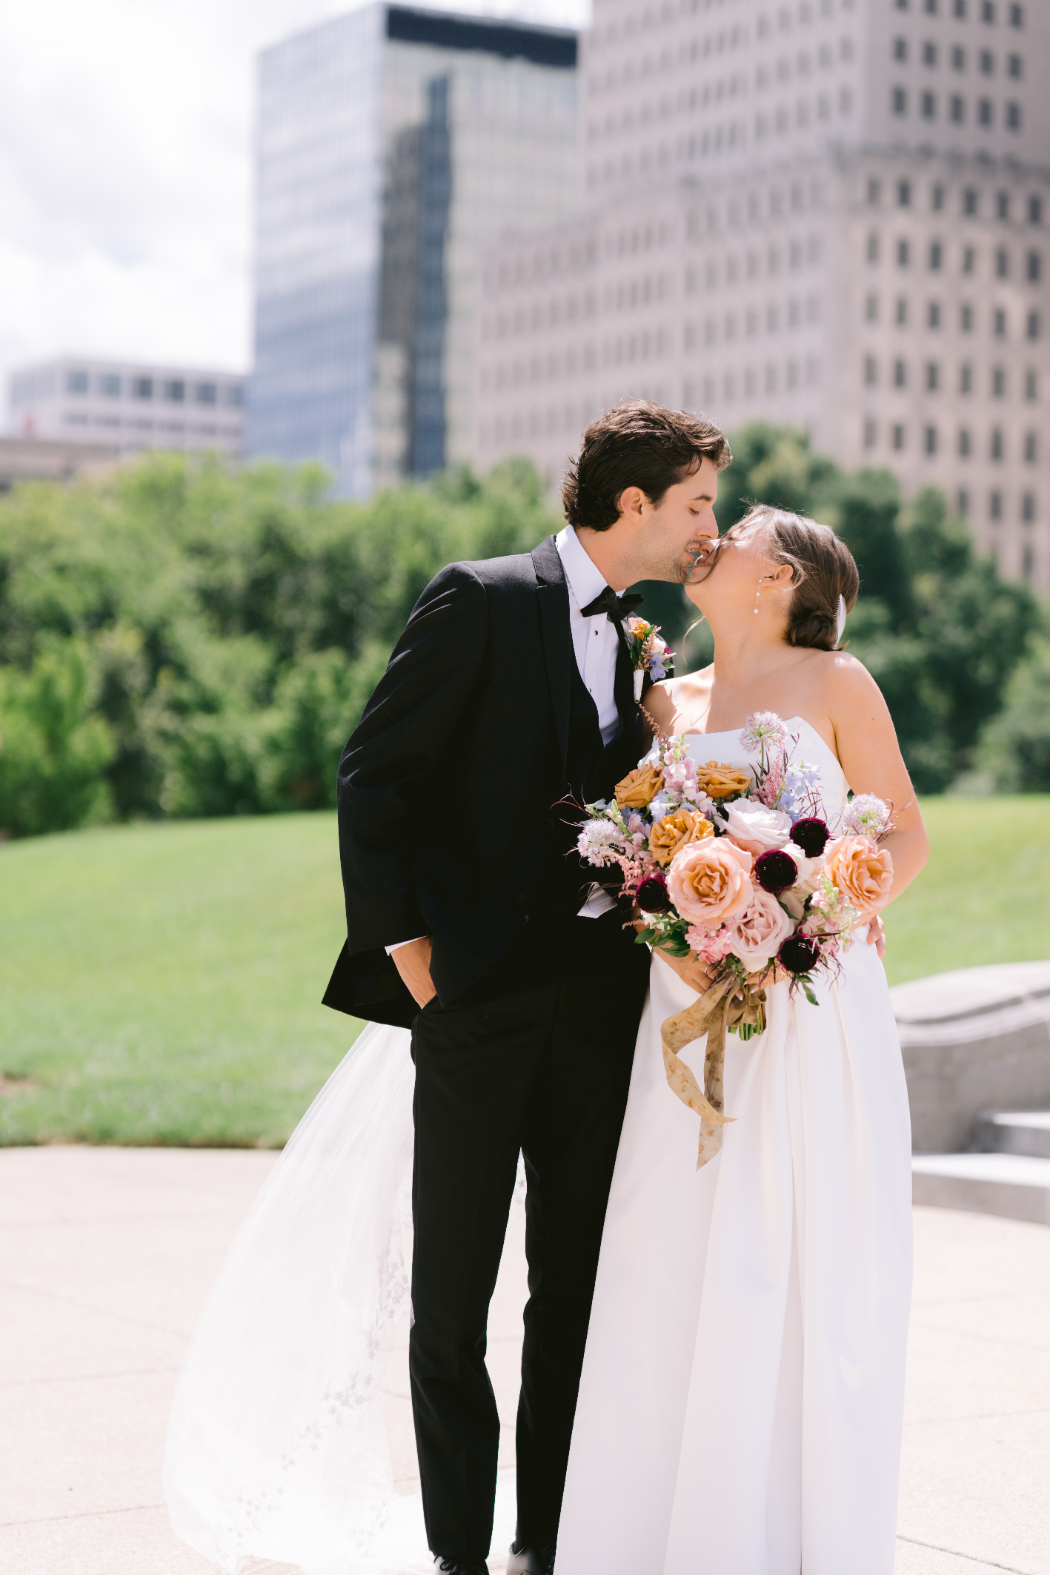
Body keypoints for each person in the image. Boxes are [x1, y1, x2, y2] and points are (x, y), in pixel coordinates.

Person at [164, 401, 733, 1575]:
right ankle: (459, 1557)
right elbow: (374, 777)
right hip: (473, 1005)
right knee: (452, 1304)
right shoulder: (480, 598)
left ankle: (547, 1544)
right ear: (635, 505)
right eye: (697, 505)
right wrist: (414, 962)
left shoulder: (637, 644)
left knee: (573, 1293)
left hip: (598, 1012)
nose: (706, 529)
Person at [553, 504, 927, 1575]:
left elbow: (901, 826)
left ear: (782, 580)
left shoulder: (837, 684)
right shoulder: (666, 700)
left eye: (746, 527)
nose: (717, 534)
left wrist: (823, 912)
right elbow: (642, 857)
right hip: (687, 1004)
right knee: (673, 1239)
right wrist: (686, 938)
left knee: (790, 1249)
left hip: (813, 1009)